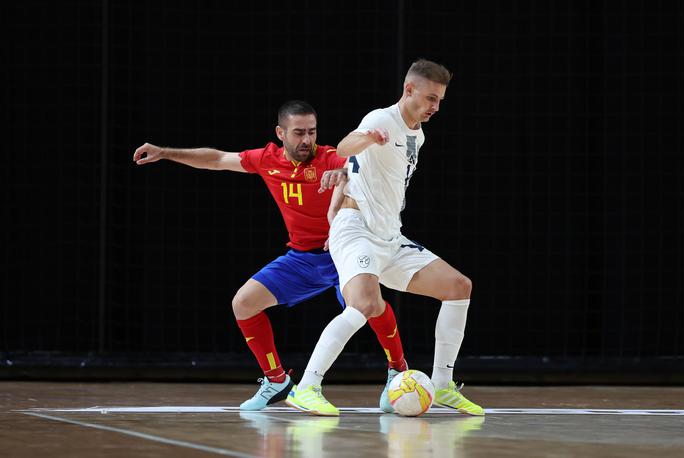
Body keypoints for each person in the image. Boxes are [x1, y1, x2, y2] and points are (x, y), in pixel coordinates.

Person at [133, 100, 408, 412]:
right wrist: (166, 152)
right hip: (302, 258)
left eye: (312, 132)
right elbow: (218, 159)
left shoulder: (331, 157)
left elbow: (358, 168)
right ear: (281, 133)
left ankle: (397, 369)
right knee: (244, 303)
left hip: (344, 251)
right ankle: (276, 380)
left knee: (370, 305)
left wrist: (347, 175)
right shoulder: (266, 160)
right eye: (299, 133)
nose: (307, 140)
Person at [286, 61, 484, 416]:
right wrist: (366, 140)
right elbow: (346, 147)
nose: (435, 107)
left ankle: (442, 385)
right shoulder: (381, 119)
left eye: (439, 100)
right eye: (430, 98)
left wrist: (335, 194)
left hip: (389, 237)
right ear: (409, 90)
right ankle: (306, 387)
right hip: (357, 230)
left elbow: (352, 169)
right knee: (362, 304)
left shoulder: (418, 135)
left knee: (458, 286)